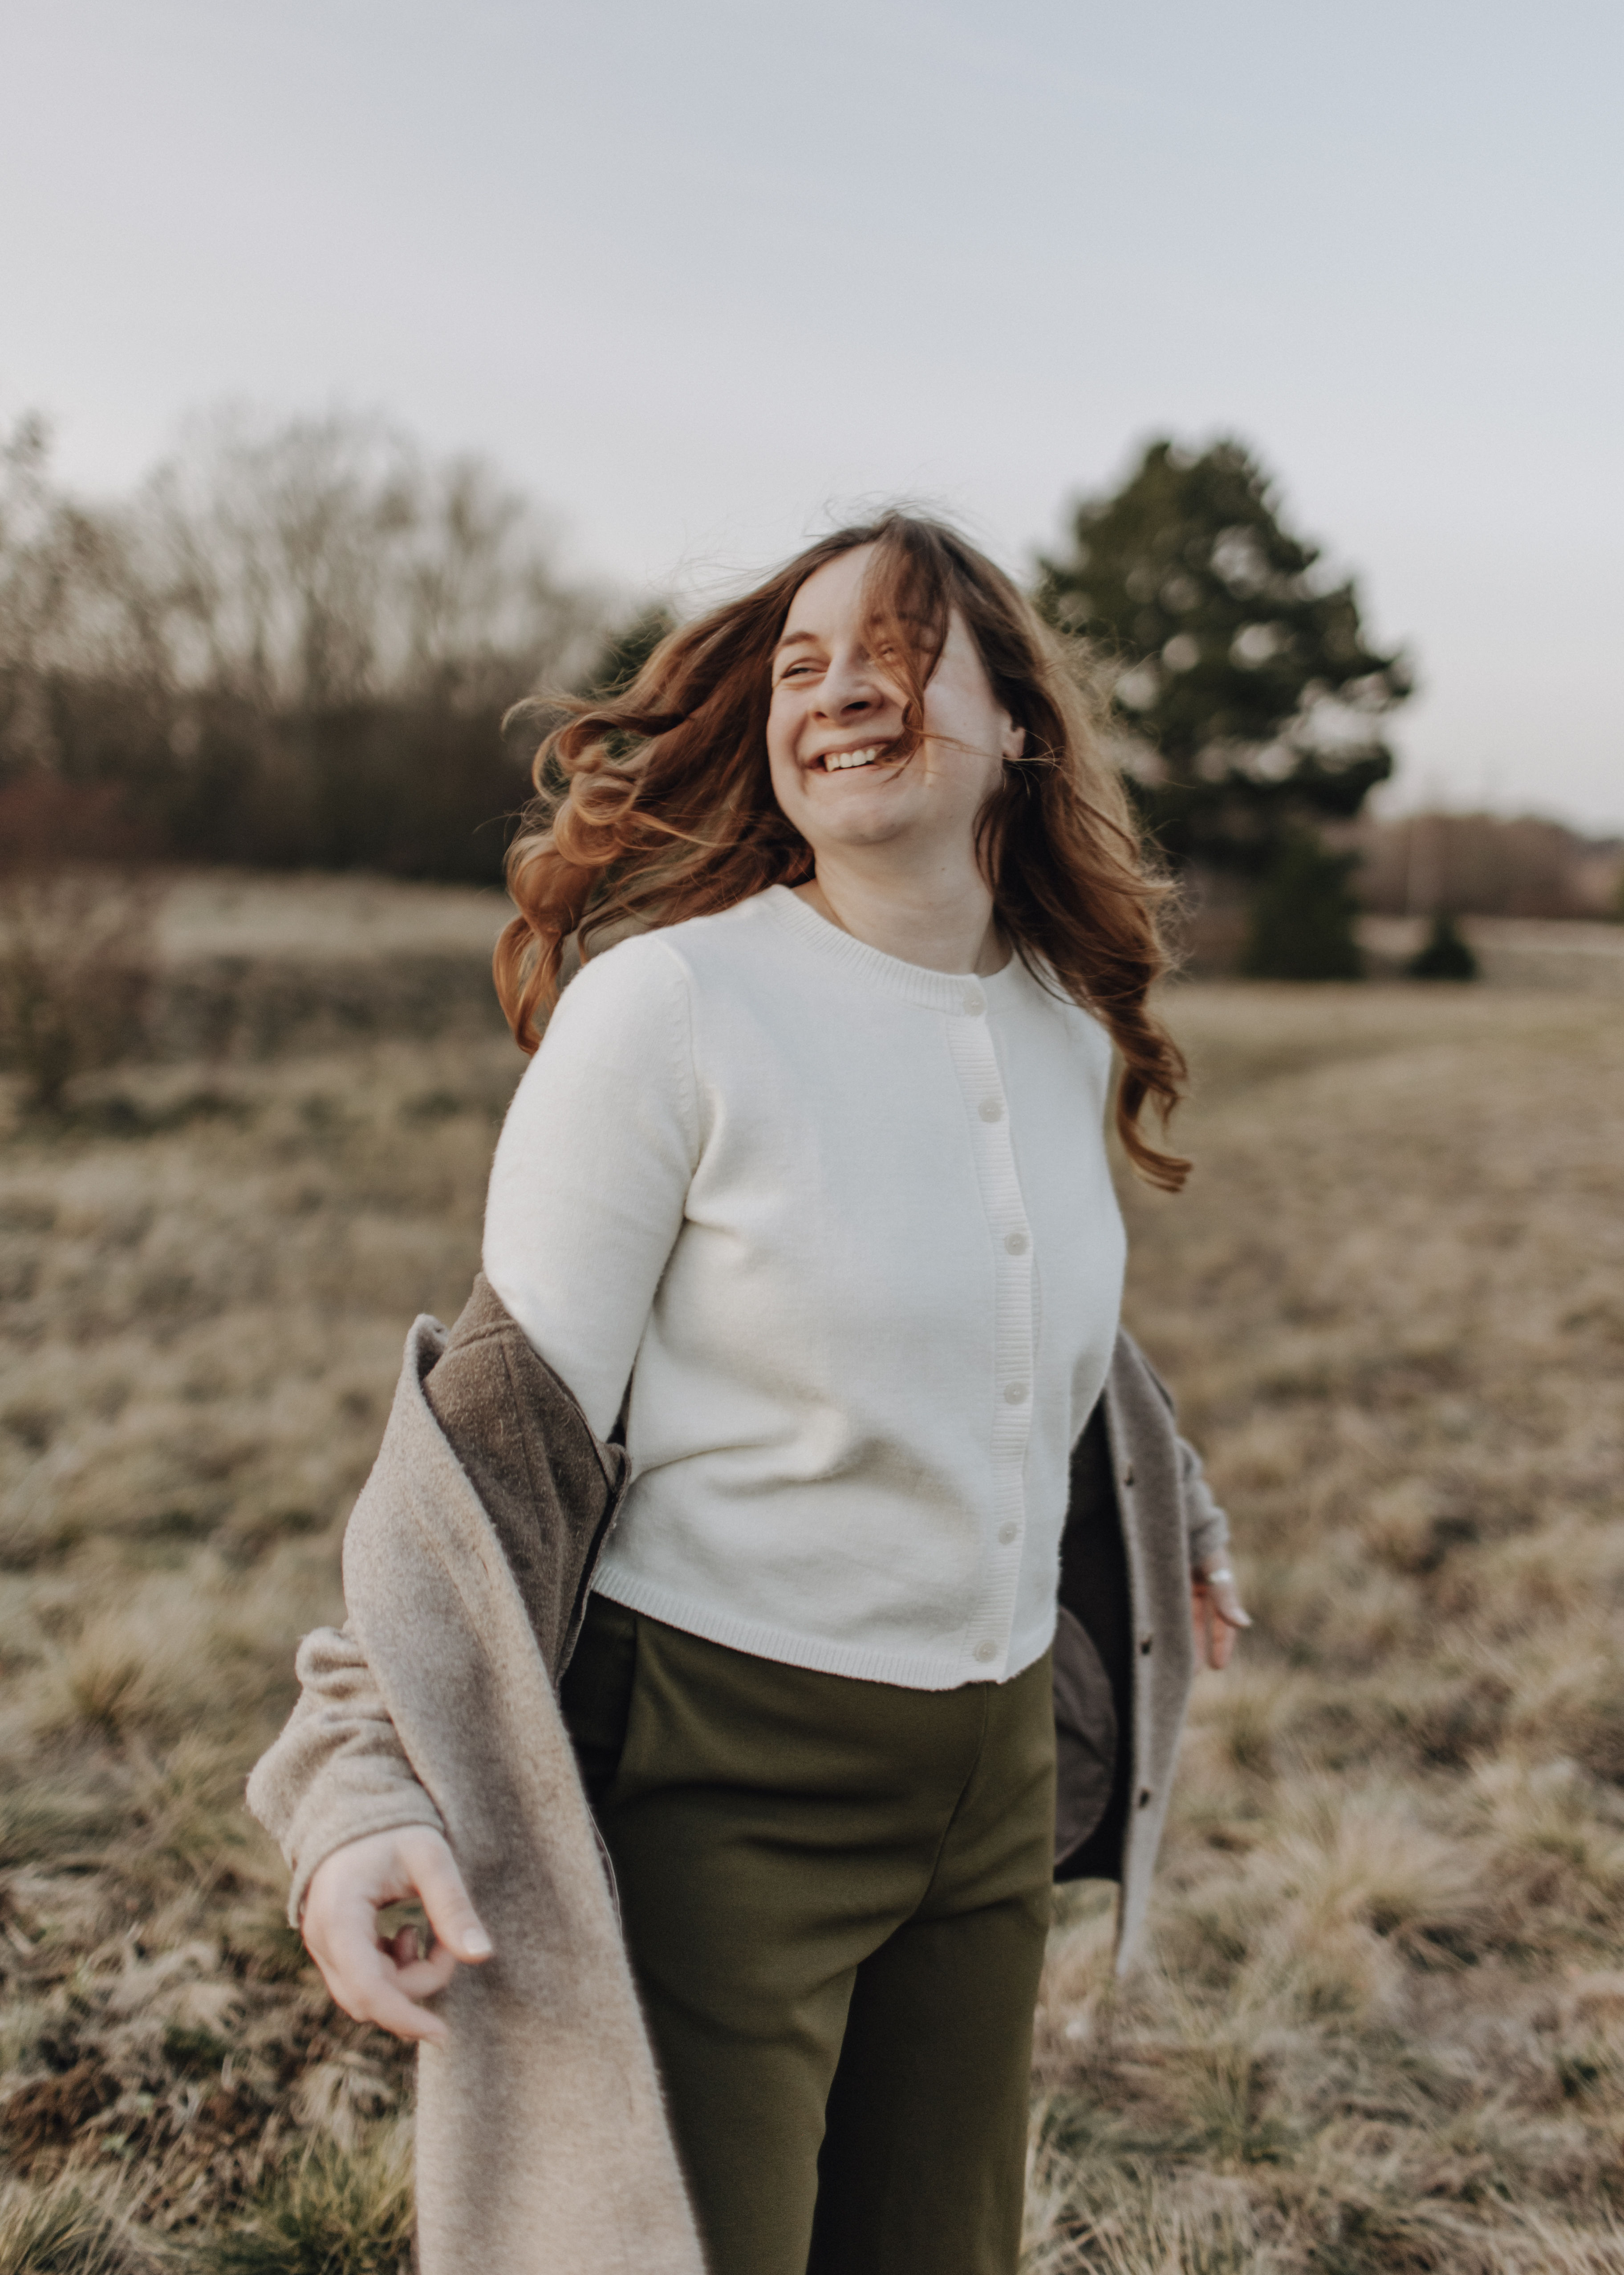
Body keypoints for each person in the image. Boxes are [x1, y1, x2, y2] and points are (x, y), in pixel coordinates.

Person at [294, 512, 1247, 2275]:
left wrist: (1164, 1506)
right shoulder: (671, 1008)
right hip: (720, 1781)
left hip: (989, 1779)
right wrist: (360, 1783)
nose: (834, 693)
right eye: (802, 665)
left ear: (1018, 722)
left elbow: (1030, 1308)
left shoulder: (1053, 1019)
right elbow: (484, 1454)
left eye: (892, 652)